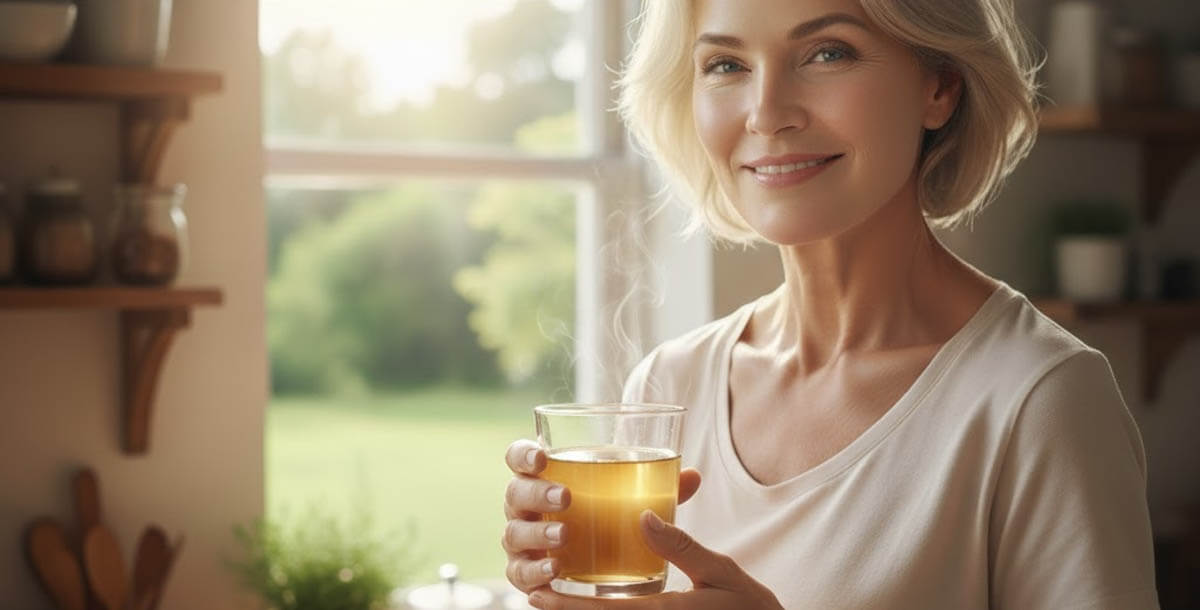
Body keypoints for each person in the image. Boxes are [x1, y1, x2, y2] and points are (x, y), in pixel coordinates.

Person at [502, 0, 1160, 607]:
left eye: (827, 53)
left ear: (940, 86)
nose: (766, 112)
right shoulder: (671, 384)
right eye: (726, 64)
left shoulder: (1039, 400)